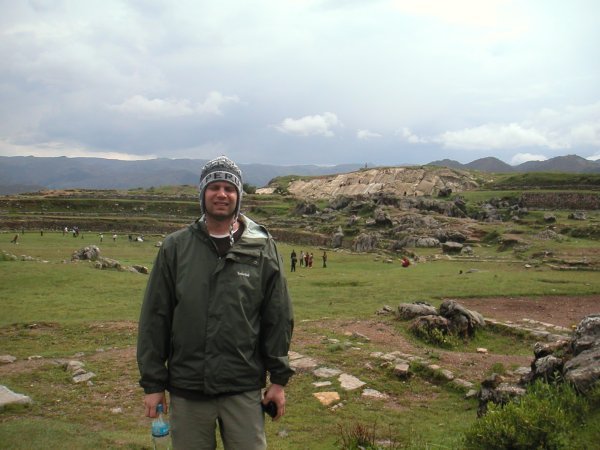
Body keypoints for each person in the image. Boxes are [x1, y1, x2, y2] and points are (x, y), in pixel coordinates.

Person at [137, 156, 294, 450]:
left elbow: (278, 317)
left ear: (238, 197)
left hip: (243, 388)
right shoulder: (176, 247)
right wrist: (154, 385)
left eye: (229, 188)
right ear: (202, 194)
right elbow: (155, 318)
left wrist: (279, 380)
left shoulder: (261, 247)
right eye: (214, 187)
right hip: (188, 389)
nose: (221, 194)